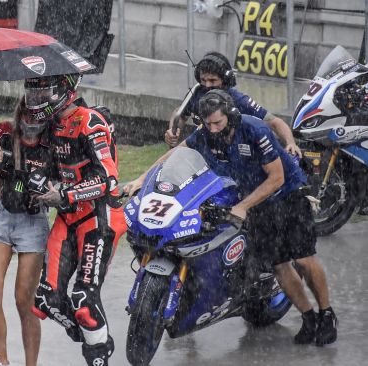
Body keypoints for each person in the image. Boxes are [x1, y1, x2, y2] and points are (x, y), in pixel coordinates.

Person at [125, 89, 338, 346]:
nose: (212, 129)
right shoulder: (205, 134)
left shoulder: (254, 130)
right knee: (280, 265)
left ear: (231, 115)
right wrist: (141, 178)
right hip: (253, 201)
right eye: (207, 124)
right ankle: (308, 317)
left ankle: (326, 314)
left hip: (287, 196)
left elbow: (277, 178)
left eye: (217, 122)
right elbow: (174, 154)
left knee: (303, 260)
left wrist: (243, 206)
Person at [27, 74, 127, 366]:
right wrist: (37, 183)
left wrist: (66, 195)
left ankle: (97, 358)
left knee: (83, 300)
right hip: (67, 218)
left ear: (61, 91)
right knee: (45, 300)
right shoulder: (50, 125)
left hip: (98, 218)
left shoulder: (90, 121)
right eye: (33, 92)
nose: (36, 99)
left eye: (42, 92)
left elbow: (108, 179)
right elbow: (47, 168)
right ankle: (96, 342)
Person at [0, 98, 50, 366]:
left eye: (36, 119)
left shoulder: (50, 140)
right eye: (27, 117)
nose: (31, 124)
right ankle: (2, 362)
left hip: (33, 220)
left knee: (24, 301)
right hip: (1, 217)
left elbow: (51, 178)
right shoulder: (4, 133)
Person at [166, 51, 301, 157]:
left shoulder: (238, 100)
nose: (207, 85)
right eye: (203, 80)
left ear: (225, 80)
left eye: (213, 80)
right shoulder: (196, 93)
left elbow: (274, 122)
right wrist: (173, 131)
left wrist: (291, 143)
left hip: (233, 156)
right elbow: (180, 114)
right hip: (204, 154)